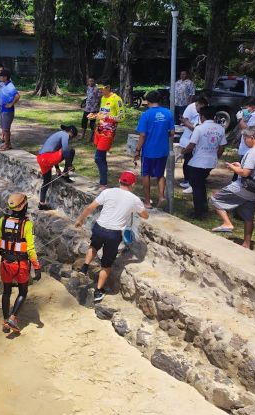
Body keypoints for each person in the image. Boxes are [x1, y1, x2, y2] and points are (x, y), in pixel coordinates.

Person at [74, 171, 148, 302]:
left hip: (99, 227)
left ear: (119, 181)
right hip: (113, 234)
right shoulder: (134, 199)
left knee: (94, 246)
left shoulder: (107, 192)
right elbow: (144, 216)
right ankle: (98, 291)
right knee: (106, 264)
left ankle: (85, 266)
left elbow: (90, 207)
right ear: (133, 184)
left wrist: (80, 220)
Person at [210, 126, 255, 249]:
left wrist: (233, 168)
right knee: (248, 217)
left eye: (244, 138)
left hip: (243, 187)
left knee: (215, 199)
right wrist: (240, 165)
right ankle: (246, 244)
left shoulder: (253, 152)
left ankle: (227, 223)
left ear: (251, 138)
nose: (244, 141)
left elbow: (245, 173)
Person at [0, 193, 41, 334]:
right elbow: (30, 247)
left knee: (6, 291)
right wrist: (36, 266)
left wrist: (6, 254)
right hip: (20, 263)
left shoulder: (2, 220)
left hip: (5, 262)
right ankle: (13, 317)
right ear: (24, 206)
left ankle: (5, 321)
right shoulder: (26, 224)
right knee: (23, 291)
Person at [182, 105, 226, 218]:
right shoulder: (220, 129)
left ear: (202, 116)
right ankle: (204, 207)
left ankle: (198, 212)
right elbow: (222, 147)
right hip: (210, 162)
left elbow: (191, 145)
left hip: (198, 162)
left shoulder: (199, 128)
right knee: (201, 184)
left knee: (196, 186)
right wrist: (215, 156)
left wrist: (183, 152)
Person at [134, 90, 175, 209]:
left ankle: (147, 202)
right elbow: (172, 133)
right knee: (160, 174)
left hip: (149, 151)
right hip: (163, 150)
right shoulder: (168, 113)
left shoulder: (146, 115)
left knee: (146, 175)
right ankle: (161, 196)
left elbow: (142, 135)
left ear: (148, 101)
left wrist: (137, 150)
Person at [89, 83, 125, 188]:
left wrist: (109, 118)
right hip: (99, 130)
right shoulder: (103, 98)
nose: (100, 91)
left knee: (98, 158)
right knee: (102, 157)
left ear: (108, 88)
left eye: (102, 89)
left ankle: (103, 182)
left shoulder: (117, 99)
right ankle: (103, 181)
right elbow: (102, 114)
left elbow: (122, 117)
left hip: (108, 133)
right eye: (98, 89)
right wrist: (94, 116)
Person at [37, 125, 77, 211]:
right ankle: (65, 174)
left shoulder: (58, 134)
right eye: (72, 137)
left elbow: (54, 152)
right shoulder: (64, 134)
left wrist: (57, 168)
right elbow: (65, 150)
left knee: (46, 181)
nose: (70, 139)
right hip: (47, 157)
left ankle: (41, 203)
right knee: (71, 151)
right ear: (70, 133)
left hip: (41, 158)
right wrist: (69, 164)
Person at [177, 96, 209, 193]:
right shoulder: (192, 109)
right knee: (188, 160)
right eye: (195, 105)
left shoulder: (204, 114)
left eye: (198, 106)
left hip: (198, 141)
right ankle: (189, 180)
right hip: (189, 139)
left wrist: (189, 124)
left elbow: (197, 128)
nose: (196, 107)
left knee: (195, 162)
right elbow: (187, 122)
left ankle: (193, 181)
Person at [0, 70, 20, 151]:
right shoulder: (5, 84)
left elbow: (17, 96)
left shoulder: (10, 86)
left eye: (0, 76)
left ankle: (7, 145)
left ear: (5, 77)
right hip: (3, 110)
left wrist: (11, 104)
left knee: (6, 129)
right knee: (4, 128)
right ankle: (8, 144)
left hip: (8, 111)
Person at [81, 77, 101, 142]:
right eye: (89, 81)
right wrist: (84, 103)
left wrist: (96, 107)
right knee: (84, 122)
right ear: (88, 82)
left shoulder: (97, 88)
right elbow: (88, 96)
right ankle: (82, 136)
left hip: (94, 109)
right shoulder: (88, 87)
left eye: (92, 81)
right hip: (87, 108)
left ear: (94, 81)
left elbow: (100, 98)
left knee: (92, 124)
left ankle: (91, 138)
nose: (91, 82)